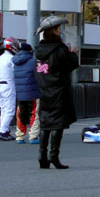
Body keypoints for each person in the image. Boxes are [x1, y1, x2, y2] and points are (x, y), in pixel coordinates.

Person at [34, 16, 79, 169]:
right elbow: (71, 65)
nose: (61, 30)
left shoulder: (39, 51)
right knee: (57, 124)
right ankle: (54, 156)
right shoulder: (59, 49)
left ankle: (42, 155)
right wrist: (73, 54)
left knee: (45, 123)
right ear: (53, 31)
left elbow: (41, 71)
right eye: (59, 28)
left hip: (44, 91)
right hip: (59, 91)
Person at [12, 42, 40, 144]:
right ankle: (33, 136)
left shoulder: (15, 62)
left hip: (20, 93)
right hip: (33, 92)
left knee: (20, 113)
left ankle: (19, 136)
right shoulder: (34, 62)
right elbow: (40, 73)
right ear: (30, 51)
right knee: (34, 113)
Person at [0, 37, 20, 141]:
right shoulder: (11, 59)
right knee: (9, 110)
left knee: (3, 110)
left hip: (0, 85)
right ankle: (3, 132)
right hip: (9, 85)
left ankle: (3, 129)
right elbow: (16, 72)